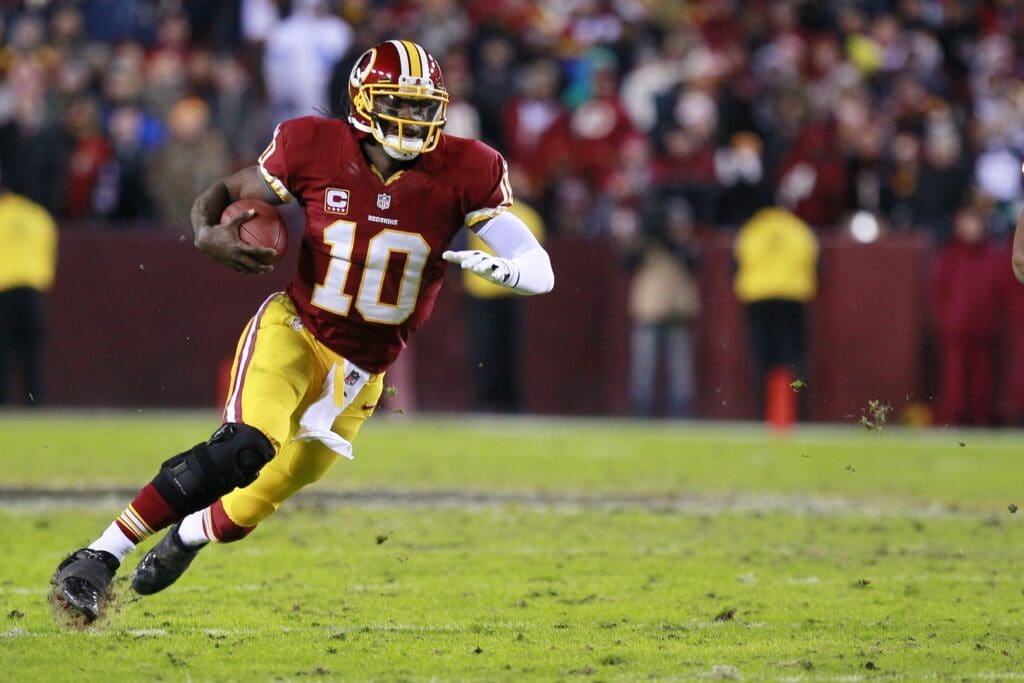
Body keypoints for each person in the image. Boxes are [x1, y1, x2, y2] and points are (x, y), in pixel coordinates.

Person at [51, 39, 554, 624]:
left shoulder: (469, 167)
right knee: (246, 446)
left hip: (364, 373)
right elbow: (227, 192)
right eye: (402, 104)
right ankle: (98, 556)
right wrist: (206, 232)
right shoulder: (312, 144)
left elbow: (538, 267)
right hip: (297, 328)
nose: (416, 119)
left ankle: (187, 536)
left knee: (257, 502)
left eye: (425, 106)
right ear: (364, 101)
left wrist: (513, 270)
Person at [733, 204, 818, 423]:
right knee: (793, 359)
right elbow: (816, 266)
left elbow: (735, 266)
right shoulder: (798, 229)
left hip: (758, 298)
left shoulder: (752, 230)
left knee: (763, 360)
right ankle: (794, 414)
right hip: (792, 298)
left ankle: (766, 414)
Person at [0, 175, 58, 405]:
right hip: (32, 291)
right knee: (32, 352)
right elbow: (49, 251)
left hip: (4, 289)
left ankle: (2, 403)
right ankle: (35, 404)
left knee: (2, 352)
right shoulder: (38, 216)